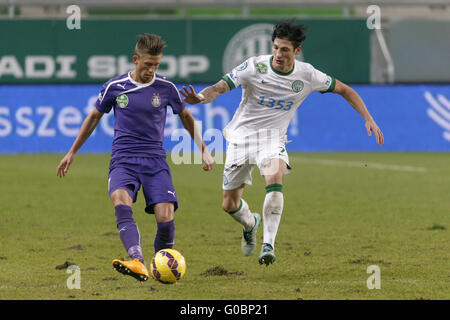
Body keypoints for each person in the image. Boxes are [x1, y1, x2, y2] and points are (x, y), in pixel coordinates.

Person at [181, 21, 384, 266]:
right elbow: (220, 87)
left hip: (272, 139)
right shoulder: (255, 66)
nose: (278, 54)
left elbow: (345, 90)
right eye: (276, 48)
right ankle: (251, 223)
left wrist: (368, 117)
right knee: (229, 204)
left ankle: (268, 244)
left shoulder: (307, 75)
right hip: (241, 139)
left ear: (296, 51)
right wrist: (200, 98)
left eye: (285, 50)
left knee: (275, 175)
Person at [57, 33, 214, 281]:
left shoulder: (166, 88)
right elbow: (93, 118)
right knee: (121, 201)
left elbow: (186, 117)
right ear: (135, 60)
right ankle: (137, 261)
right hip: (124, 159)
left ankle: (161, 267)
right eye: (147, 64)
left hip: (154, 161)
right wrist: (72, 151)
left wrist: (203, 149)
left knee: (166, 216)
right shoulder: (115, 87)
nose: (151, 70)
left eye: (156, 65)